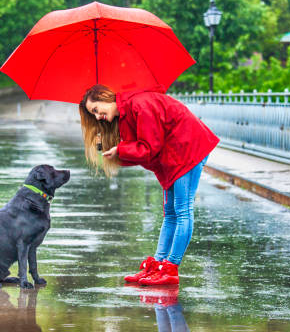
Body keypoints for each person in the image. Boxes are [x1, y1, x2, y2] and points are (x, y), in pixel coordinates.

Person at [78, 84, 219, 285]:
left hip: (188, 149)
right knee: (170, 213)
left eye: (95, 110)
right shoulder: (126, 115)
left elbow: (149, 148)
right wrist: (117, 152)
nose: (97, 116)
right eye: (93, 114)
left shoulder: (140, 105)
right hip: (173, 155)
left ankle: (171, 268)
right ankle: (158, 265)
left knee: (182, 209)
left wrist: (121, 150)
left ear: (104, 97)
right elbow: (142, 153)